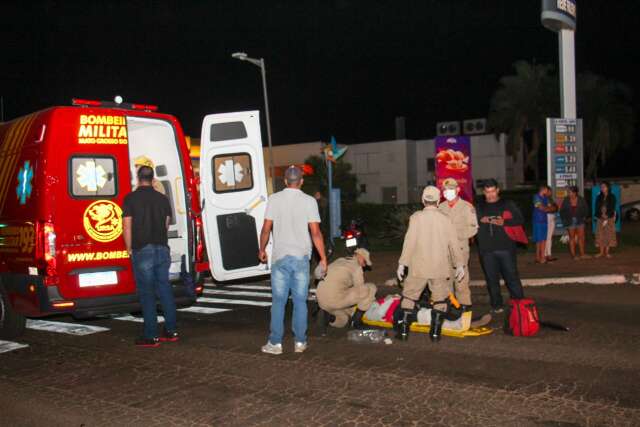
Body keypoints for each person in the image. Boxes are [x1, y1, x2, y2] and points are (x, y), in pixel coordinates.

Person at [258, 165, 327, 355]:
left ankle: (275, 343)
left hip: (280, 257)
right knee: (300, 301)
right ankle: (300, 342)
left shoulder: (274, 200)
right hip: (301, 258)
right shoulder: (309, 201)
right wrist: (323, 258)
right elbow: (315, 232)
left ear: (285, 181)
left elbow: (266, 229)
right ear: (301, 181)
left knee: (279, 302)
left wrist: (262, 249)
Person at [396, 186, 465, 342]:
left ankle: (404, 332)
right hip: (439, 268)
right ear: (439, 200)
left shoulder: (416, 218)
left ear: (423, 200)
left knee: (409, 297)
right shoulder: (445, 219)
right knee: (440, 300)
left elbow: (409, 243)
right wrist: (459, 264)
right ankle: (435, 334)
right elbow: (454, 244)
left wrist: (402, 263)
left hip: (418, 268)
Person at [123, 165, 177, 347]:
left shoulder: (130, 199)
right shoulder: (163, 199)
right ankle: (171, 330)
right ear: (153, 179)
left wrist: (129, 248)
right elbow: (166, 224)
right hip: (162, 248)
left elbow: (127, 226)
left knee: (147, 294)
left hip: (142, 249)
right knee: (165, 290)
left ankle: (151, 335)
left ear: (138, 179)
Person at [475, 179, 526, 313]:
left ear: (498, 190)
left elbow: (520, 219)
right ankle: (496, 306)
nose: (490, 195)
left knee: (512, 278)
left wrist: (504, 221)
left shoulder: (507, 204)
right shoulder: (479, 206)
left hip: (506, 248)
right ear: (484, 192)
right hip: (486, 250)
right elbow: (473, 224)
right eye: (487, 192)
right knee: (492, 280)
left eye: (492, 191)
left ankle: (519, 304)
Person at [438, 178, 478, 310]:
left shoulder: (466, 207)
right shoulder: (440, 207)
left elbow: (473, 228)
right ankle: (450, 307)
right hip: (444, 250)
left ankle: (465, 307)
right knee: (446, 280)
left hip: (460, 249)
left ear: (457, 190)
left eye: (451, 189)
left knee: (461, 280)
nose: (448, 192)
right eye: (445, 190)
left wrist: (454, 236)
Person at [315, 248, 376, 329]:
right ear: (359, 256)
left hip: (321, 301)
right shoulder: (356, 267)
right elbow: (360, 289)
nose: (364, 265)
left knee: (343, 319)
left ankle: (328, 316)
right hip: (334, 299)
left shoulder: (340, 260)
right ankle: (357, 321)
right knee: (370, 288)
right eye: (364, 262)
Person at [559, 186, 590, 260]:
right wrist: (565, 220)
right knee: (572, 238)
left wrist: (584, 217)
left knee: (581, 238)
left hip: (580, 220)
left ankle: (582, 254)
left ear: (575, 192)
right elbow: (562, 211)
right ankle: (573, 255)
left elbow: (586, 209)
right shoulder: (566, 200)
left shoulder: (581, 199)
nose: (569, 193)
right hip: (570, 221)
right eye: (568, 192)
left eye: (570, 192)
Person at [594, 181, 617, 258]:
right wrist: (600, 215)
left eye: (604, 187)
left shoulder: (612, 196)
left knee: (608, 234)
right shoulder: (598, 197)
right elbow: (596, 207)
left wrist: (607, 215)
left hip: (609, 218)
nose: (602, 188)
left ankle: (607, 252)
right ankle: (601, 252)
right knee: (600, 234)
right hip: (600, 218)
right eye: (601, 187)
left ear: (608, 187)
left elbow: (612, 207)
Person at [544, 186, 559, 262]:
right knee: (546, 236)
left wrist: (552, 208)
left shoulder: (550, 199)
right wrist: (551, 208)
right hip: (547, 217)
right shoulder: (543, 198)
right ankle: (545, 254)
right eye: (549, 191)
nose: (550, 193)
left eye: (550, 191)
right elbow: (546, 209)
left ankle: (548, 254)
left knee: (549, 237)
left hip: (552, 217)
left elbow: (556, 208)